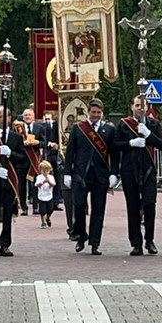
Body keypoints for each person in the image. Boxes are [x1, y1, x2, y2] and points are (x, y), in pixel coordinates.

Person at [63, 98, 118, 255]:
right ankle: (81, 235)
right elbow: (70, 152)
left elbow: (113, 154)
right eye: (93, 112)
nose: (95, 115)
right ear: (88, 112)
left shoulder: (109, 130)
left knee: (98, 210)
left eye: (98, 112)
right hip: (81, 175)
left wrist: (114, 173)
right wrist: (67, 173)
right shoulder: (78, 128)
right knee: (79, 206)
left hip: (100, 176)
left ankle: (95, 243)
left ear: (102, 113)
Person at [113, 95, 162, 256]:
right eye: (137, 105)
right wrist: (130, 143)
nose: (139, 108)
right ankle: (136, 243)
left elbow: (161, 145)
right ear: (132, 107)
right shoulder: (123, 124)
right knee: (133, 207)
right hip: (130, 170)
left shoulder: (154, 124)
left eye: (142, 106)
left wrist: (149, 135)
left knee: (150, 204)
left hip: (148, 170)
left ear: (147, 107)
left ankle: (149, 240)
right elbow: (115, 146)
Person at [0, 107, 28, 256]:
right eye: (0, 116)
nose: (3, 119)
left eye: (6, 116)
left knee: (7, 213)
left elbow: (22, 158)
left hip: (9, 180)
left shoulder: (16, 137)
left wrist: (11, 153)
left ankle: (5, 244)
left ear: (10, 118)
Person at [35, 160, 57, 228]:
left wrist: (49, 182)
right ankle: (43, 221)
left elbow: (53, 185)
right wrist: (42, 182)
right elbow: (37, 185)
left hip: (49, 196)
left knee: (50, 209)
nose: (45, 172)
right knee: (42, 210)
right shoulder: (39, 177)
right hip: (41, 196)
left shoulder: (51, 177)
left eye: (47, 171)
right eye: (43, 170)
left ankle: (47, 218)